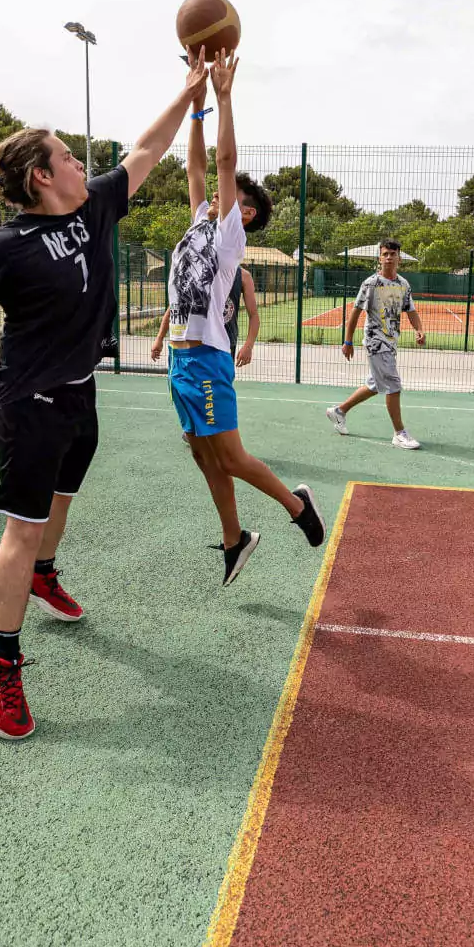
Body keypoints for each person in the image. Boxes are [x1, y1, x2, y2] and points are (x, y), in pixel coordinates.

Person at [0, 51, 213, 741]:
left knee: (62, 501)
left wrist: (190, 89)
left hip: (80, 393)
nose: (85, 165)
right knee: (21, 527)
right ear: (42, 177)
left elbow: (149, 148)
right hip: (30, 401)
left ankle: (44, 574)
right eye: (69, 160)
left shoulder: (94, 209)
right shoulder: (6, 247)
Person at [164, 51, 322, 585]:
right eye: (235, 201)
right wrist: (196, 106)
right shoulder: (196, 223)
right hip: (180, 363)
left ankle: (296, 505)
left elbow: (223, 165)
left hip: (207, 359)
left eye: (245, 205)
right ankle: (236, 540)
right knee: (203, 458)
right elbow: (197, 168)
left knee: (229, 457)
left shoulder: (230, 237)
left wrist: (226, 98)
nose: (232, 203)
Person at [326, 238, 427, 449]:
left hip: (391, 342)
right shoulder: (371, 283)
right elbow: (355, 312)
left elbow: (411, 311)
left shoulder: (403, 284)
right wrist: (348, 340)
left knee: (374, 385)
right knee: (393, 385)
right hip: (375, 342)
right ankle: (399, 433)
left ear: (399, 257)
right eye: (385, 254)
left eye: (393, 254)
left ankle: (339, 411)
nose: (389, 257)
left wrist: (419, 329)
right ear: (380, 258)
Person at [149, 264, 258, 366]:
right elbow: (174, 308)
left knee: (220, 385)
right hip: (196, 343)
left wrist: (248, 346)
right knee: (194, 384)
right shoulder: (195, 272)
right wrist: (159, 339)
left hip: (225, 344)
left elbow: (253, 315)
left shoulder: (242, 276)